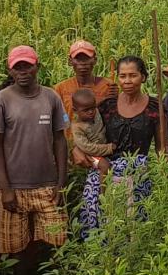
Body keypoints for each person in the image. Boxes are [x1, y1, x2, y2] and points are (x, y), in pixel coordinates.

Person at [0, 46, 69, 275]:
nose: (22, 72)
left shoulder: (51, 97)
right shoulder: (0, 100)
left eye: (27, 66)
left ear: (38, 67)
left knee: (56, 242)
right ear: (9, 70)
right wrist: (6, 188)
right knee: (17, 248)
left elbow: (60, 139)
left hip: (48, 186)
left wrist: (61, 182)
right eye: (17, 67)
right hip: (14, 189)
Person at [78, 56, 161, 237]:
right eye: (123, 76)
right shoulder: (107, 106)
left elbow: (161, 149)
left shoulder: (155, 107)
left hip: (138, 175)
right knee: (104, 222)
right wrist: (78, 149)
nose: (127, 81)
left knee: (134, 227)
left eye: (133, 75)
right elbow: (84, 131)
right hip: (105, 173)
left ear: (144, 77)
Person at [53, 40, 116, 141]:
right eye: (78, 59)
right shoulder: (60, 88)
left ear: (94, 60)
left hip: (99, 146)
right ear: (70, 61)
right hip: (70, 147)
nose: (82, 63)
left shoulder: (108, 86)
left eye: (86, 59)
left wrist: (113, 100)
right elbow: (57, 121)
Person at [70, 89, 114, 163]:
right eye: (86, 110)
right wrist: (109, 148)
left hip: (104, 148)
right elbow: (87, 148)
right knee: (104, 165)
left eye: (93, 108)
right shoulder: (77, 127)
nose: (91, 112)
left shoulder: (96, 112)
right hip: (90, 154)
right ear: (75, 110)